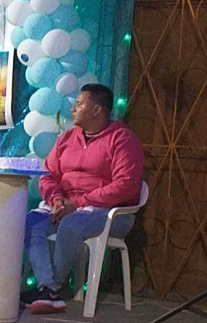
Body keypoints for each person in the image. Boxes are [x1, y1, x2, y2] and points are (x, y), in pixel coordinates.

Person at [21, 84, 144, 314]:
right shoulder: (68, 138)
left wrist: (78, 203)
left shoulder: (122, 139)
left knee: (71, 224)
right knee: (31, 222)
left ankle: (53, 287)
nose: (73, 108)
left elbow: (126, 186)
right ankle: (47, 287)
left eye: (79, 103)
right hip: (66, 206)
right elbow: (48, 175)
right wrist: (57, 199)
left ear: (97, 110)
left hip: (109, 212)